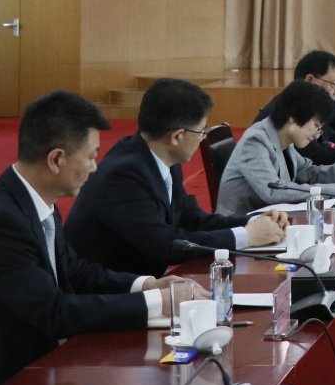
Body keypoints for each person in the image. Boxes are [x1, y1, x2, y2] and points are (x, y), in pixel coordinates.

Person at [0, 92, 207, 385]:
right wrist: (159, 304)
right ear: (56, 159)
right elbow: (53, 312)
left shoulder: (35, 200)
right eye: (92, 156)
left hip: (42, 359)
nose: (96, 167)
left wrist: (147, 286)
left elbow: (76, 272)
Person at [66, 78, 287, 276]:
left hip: (140, 284)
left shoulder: (163, 158)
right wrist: (246, 237)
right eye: (202, 132)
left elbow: (192, 219)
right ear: (177, 137)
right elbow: (165, 245)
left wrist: (253, 220)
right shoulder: (124, 174)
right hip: (107, 295)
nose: (202, 139)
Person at [216, 80, 335, 217]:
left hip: (270, 220)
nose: (316, 135)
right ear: (293, 116)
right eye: (316, 126)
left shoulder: (283, 139)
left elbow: (308, 173)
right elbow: (273, 191)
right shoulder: (256, 140)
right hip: (241, 226)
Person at [254, 50, 335, 166]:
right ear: (310, 80)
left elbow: (332, 140)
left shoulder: (311, 108)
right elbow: (316, 154)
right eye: (334, 84)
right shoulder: (291, 110)